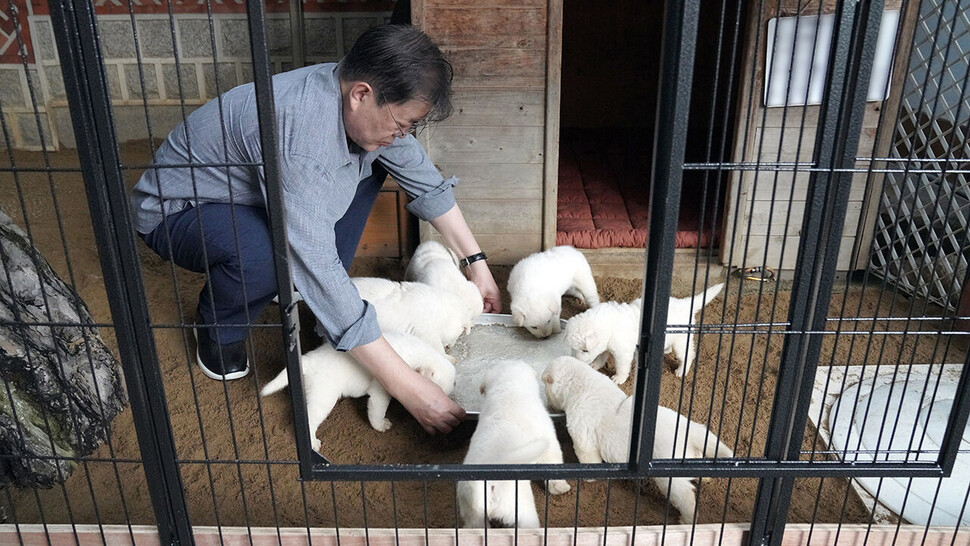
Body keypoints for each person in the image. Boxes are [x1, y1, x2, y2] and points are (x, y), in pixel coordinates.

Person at [129, 24, 501, 434]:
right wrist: (410, 387)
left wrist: (476, 263)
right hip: (180, 209)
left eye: (410, 125)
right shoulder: (303, 140)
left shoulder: (354, 96)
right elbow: (315, 261)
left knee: (377, 159)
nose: (403, 134)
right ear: (362, 94)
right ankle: (219, 332)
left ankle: (307, 295)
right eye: (402, 123)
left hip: (251, 193)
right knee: (266, 256)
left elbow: (422, 178)